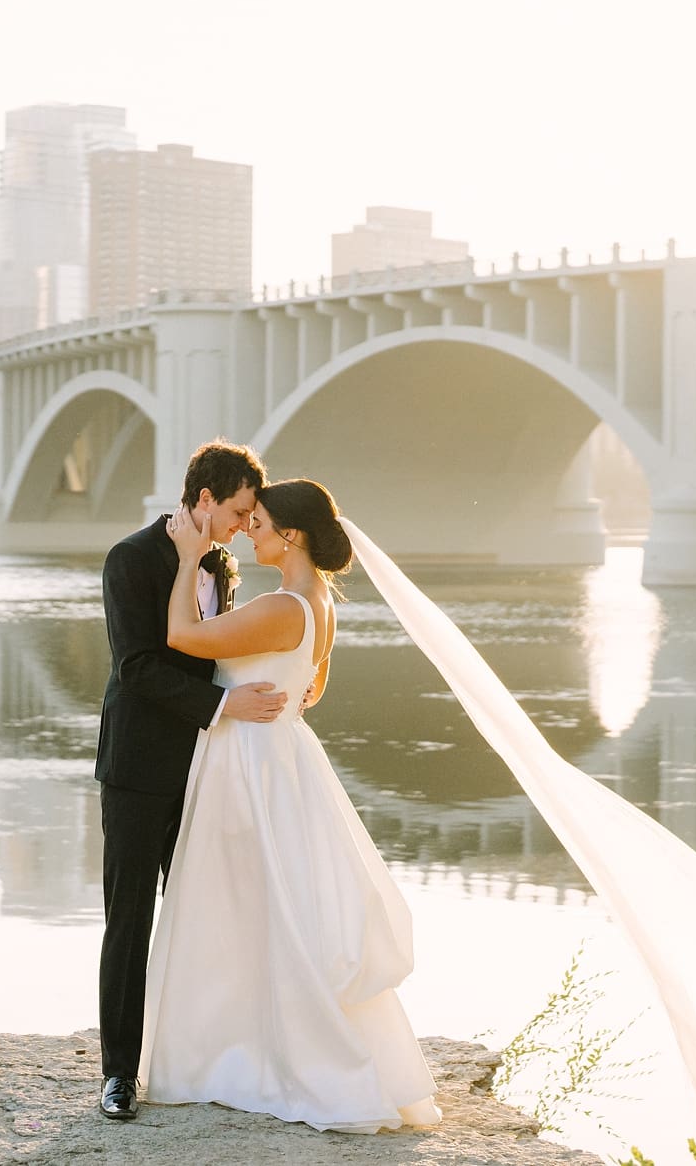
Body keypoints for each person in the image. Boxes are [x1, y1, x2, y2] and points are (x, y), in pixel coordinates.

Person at [139, 477, 441, 1132]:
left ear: (292, 534)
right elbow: (313, 686)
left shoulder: (281, 606)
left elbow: (180, 636)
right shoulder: (319, 603)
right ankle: (255, 1043)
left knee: (246, 905)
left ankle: (247, 1052)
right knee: (280, 907)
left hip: (248, 762)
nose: (250, 528)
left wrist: (190, 557)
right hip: (282, 759)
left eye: (261, 521)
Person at [93, 440, 288, 1121]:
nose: (241, 524)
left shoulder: (222, 565)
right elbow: (137, 668)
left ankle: (201, 1057)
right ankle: (119, 1073)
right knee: (130, 921)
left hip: (206, 771)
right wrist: (223, 707)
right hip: (139, 771)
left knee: (204, 910)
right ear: (204, 499)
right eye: (237, 511)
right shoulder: (129, 559)